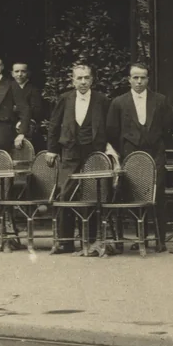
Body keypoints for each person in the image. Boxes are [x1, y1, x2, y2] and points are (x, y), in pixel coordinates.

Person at [45, 64, 113, 254]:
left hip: (93, 153)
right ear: (73, 80)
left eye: (86, 78)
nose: (83, 82)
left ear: (92, 80)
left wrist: (108, 148)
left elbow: (110, 127)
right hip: (70, 152)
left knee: (92, 194)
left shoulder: (102, 100)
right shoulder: (65, 99)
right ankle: (65, 241)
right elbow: (54, 125)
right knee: (65, 194)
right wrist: (51, 149)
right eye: (79, 78)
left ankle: (91, 240)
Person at [106, 63, 171, 251]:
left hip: (155, 154)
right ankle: (139, 237)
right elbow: (112, 131)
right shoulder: (119, 102)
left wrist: (155, 142)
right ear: (129, 79)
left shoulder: (160, 100)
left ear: (148, 79)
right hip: (131, 153)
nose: (139, 81)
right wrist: (125, 149)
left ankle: (160, 239)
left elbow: (167, 128)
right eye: (135, 77)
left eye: (143, 77)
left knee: (157, 195)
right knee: (134, 194)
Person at [11, 62, 48, 153]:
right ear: (12, 73)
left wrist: (17, 109)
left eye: (23, 71)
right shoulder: (9, 88)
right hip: (10, 127)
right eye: (17, 71)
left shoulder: (33, 90)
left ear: (28, 73)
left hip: (30, 127)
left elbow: (37, 111)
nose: (19, 74)